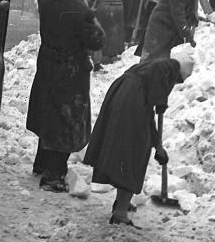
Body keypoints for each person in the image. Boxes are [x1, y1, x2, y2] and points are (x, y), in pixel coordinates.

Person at [84, 47, 195, 226]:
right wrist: (161, 105)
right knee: (135, 152)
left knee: (127, 148)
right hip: (131, 101)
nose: (174, 84)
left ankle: (121, 203)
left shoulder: (153, 68)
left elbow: (149, 112)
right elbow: (156, 102)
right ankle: (120, 212)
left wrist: (157, 143)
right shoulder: (169, 67)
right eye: (178, 80)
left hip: (122, 95)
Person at [26, 0, 105, 192]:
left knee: (47, 112)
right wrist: (86, 4)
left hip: (47, 66)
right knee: (66, 121)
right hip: (71, 72)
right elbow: (98, 40)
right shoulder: (82, 12)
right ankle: (53, 175)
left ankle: (41, 163)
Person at [87, 0, 130, 70]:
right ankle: (113, 56)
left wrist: (86, 8)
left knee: (102, 33)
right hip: (119, 8)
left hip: (104, 8)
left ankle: (101, 59)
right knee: (115, 32)